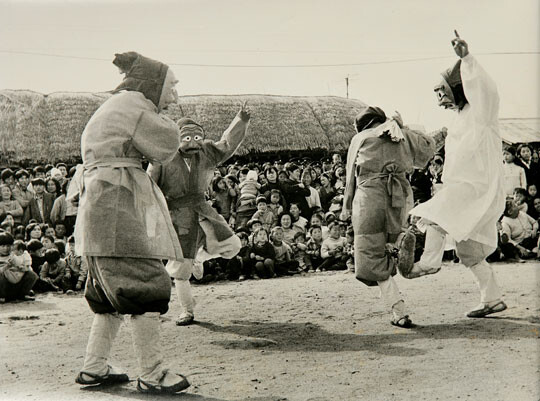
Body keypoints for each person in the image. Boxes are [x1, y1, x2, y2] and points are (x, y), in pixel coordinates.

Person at [71, 51, 189, 393]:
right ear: (155, 84)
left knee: (107, 293)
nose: (174, 95)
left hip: (98, 203)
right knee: (143, 282)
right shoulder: (135, 106)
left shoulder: (116, 106)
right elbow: (166, 146)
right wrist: (170, 120)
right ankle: (152, 373)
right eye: (171, 87)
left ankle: (94, 367)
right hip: (116, 202)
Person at [405, 33, 508, 319]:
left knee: (437, 213)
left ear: (458, 86)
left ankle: (428, 263)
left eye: (441, 91)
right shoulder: (458, 118)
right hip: (464, 187)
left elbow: (487, 89)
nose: (438, 98)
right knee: (469, 251)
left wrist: (467, 59)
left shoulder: (482, 112)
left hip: (477, 186)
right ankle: (493, 298)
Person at [148, 103, 250, 326]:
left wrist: (241, 119)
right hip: (177, 216)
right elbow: (150, 187)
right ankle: (187, 311)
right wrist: (155, 219)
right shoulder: (162, 157)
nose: (193, 142)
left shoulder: (206, 151)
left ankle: (200, 257)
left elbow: (227, 143)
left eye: (196, 137)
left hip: (204, 210)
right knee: (181, 270)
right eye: (187, 138)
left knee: (233, 246)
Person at [340, 103, 436, 328]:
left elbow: (350, 180)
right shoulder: (401, 133)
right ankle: (399, 242)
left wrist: (346, 208)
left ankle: (399, 310)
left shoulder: (361, 139)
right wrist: (405, 127)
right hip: (399, 197)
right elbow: (429, 148)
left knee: (370, 255)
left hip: (370, 197)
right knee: (389, 241)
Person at [0, 233, 37, 303]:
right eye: (3, 246)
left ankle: (23, 294)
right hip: (4, 286)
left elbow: (28, 268)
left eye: (8, 246)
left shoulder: (19, 254)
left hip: (17, 282)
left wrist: (21, 267)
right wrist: (6, 267)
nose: (6, 248)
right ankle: (2, 296)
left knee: (32, 275)